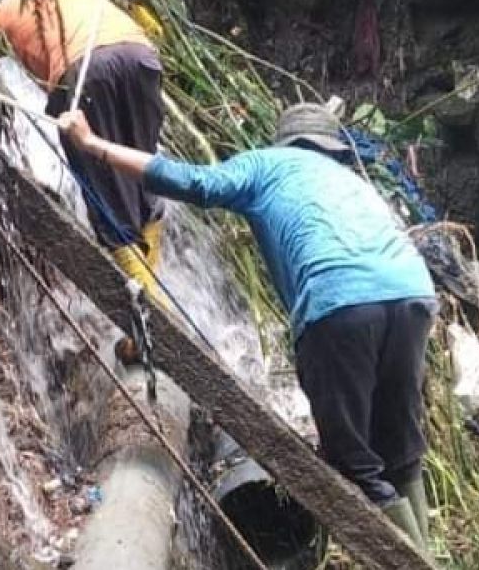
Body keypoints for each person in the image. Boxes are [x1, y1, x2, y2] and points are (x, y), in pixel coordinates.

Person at [54, 102, 438, 550]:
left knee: (356, 467)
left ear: (286, 141)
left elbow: (193, 182)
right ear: (330, 147)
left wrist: (92, 144)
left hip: (340, 302)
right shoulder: (351, 182)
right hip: (413, 294)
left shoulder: (266, 164)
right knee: (401, 453)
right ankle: (426, 556)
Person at [0, 0, 166, 304]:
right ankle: (153, 291)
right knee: (143, 173)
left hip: (87, 71)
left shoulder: (2, 12)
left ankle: (152, 312)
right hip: (141, 57)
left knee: (105, 192)